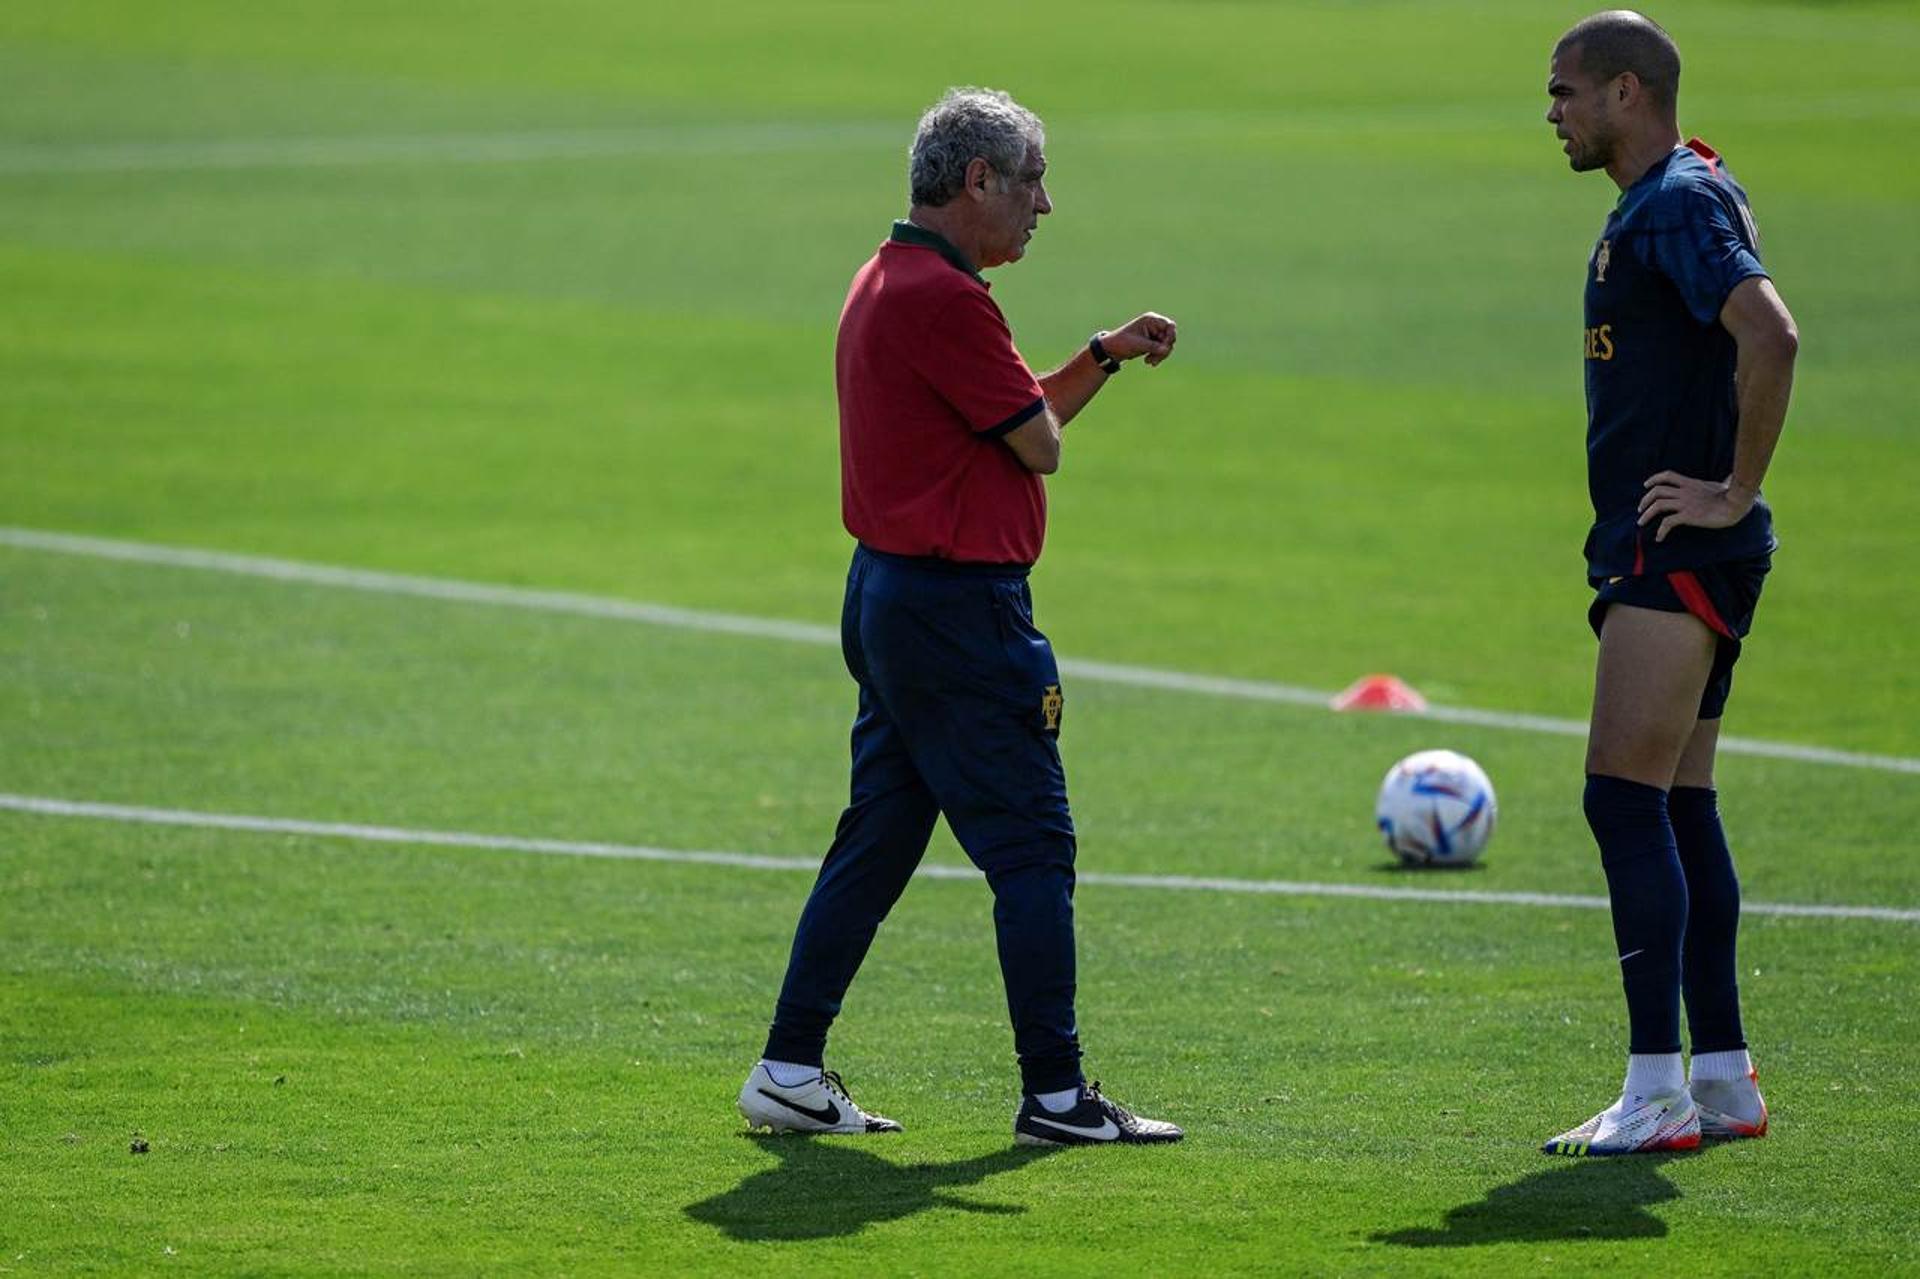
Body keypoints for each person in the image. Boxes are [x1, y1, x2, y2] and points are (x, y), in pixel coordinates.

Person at [735, 87, 1183, 1146]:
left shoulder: (890, 277)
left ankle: (789, 1067)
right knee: (1034, 846)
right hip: (959, 610)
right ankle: (1059, 1096)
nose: (1046, 203)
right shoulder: (947, 300)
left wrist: (1103, 357)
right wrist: (1066, 393)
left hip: (891, 596)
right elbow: (1038, 444)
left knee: (881, 837)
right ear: (976, 181)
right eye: (1031, 180)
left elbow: (1011, 408)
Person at [1540, 11, 1799, 1156]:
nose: (1552, 113)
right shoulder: (1678, 191)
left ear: (1628, 93)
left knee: (1622, 797)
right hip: (1677, 547)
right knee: (1681, 799)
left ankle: (1654, 1094)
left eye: (1566, 92)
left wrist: (1731, 487)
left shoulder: (1680, 205)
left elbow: (1773, 336)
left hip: (1675, 549)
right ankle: (1722, 1076)